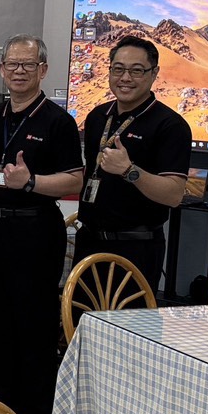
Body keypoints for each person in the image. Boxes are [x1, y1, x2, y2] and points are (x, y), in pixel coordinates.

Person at [0, 35, 83, 414]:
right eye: (12, 64)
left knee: (33, 326)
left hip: (35, 230)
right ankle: (3, 408)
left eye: (28, 65)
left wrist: (31, 182)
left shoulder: (57, 121)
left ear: (42, 70)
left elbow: (75, 180)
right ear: (1, 69)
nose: (19, 71)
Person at [74, 35, 191, 294]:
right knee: (81, 316)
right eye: (118, 69)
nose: (125, 78)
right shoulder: (97, 117)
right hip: (89, 242)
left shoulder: (170, 125)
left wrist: (129, 171)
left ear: (154, 73)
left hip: (136, 248)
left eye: (136, 70)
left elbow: (174, 195)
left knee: (127, 320)